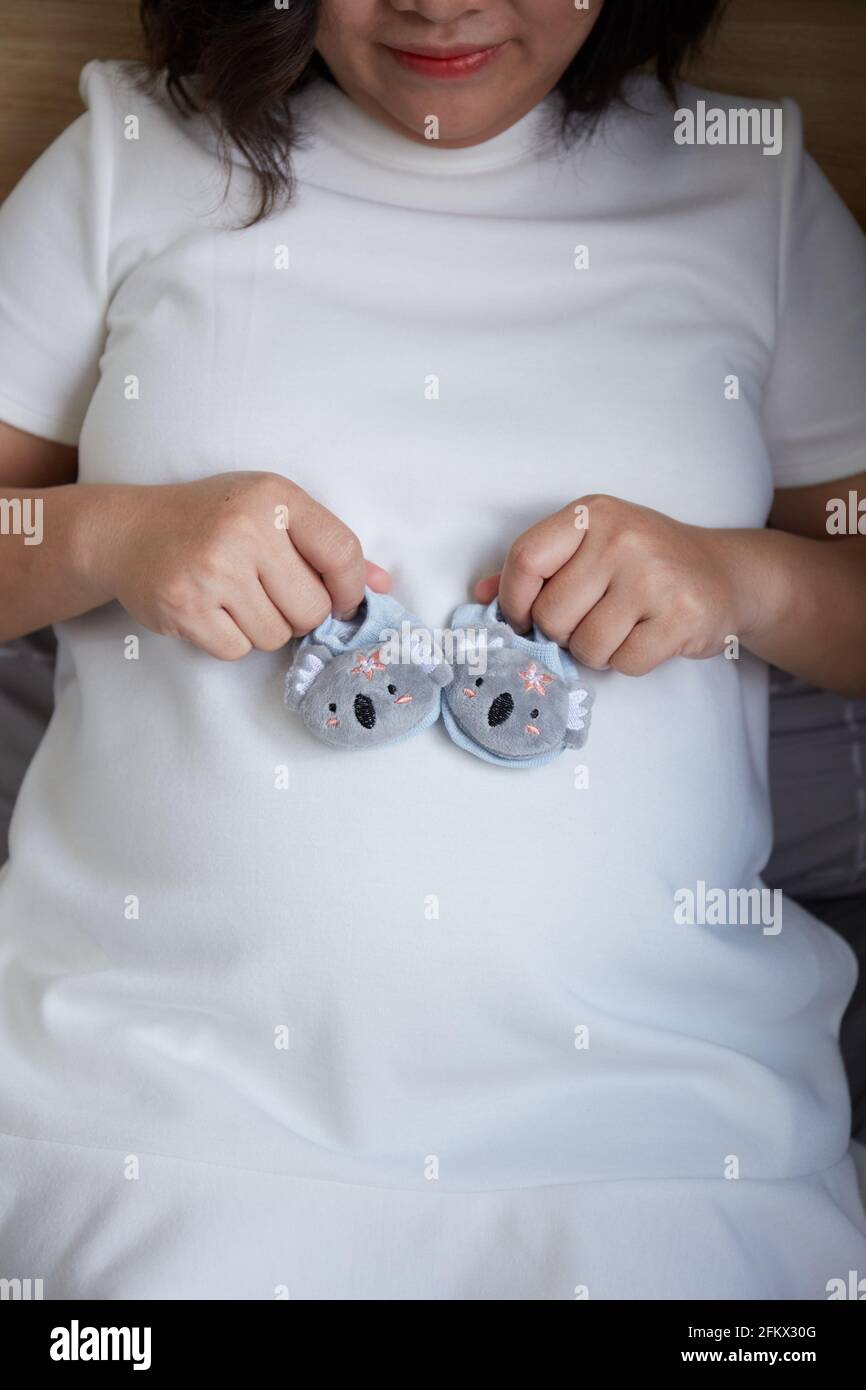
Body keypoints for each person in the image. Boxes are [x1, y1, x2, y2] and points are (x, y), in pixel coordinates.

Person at [0, 0, 865, 1300]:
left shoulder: (750, 178)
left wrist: (745, 577)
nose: (442, 6)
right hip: (140, 1119)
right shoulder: (130, 153)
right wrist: (107, 537)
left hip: (665, 1142)